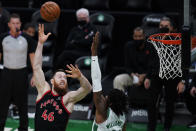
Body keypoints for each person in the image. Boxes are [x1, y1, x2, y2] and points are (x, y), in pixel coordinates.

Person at [33, 24, 92, 131]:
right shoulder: (43, 91)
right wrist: (40, 43)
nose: (62, 79)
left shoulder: (68, 98)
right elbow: (37, 67)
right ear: (52, 81)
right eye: (59, 76)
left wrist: (80, 76)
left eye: (64, 78)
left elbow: (88, 89)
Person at [144, 16, 185, 131]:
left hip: (173, 76)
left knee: (169, 103)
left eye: (166, 26)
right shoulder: (154, 40)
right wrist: (148, 76)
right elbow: (150, 60)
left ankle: (167, 127)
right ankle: (151, 127)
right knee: (151, 102)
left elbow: (183, 62)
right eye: (161, 26)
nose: (162, 28)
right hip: (156, 75)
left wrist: (183, 80)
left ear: (172, 28)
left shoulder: (179, 41)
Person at [0, 13, 36, 131]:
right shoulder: (3, 38)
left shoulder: (27, 39)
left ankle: (23, 128)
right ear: (9, 24)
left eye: (18, 23)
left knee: (22, 104)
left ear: (20, 24)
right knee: (2, 104)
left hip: (21, 73)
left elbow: (33, 58)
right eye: (13, 23)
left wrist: (35, 75)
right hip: (6, 74)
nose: (16, 25)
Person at [91, 32, 128, 131]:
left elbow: (96, 81)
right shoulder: (123, 116)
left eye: (108, 97)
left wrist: (94, 54)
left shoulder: (103, 111)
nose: (105, 96)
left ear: (110, 103)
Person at [113, 27, 149, 92]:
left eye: (140, 36)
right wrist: (133, 74)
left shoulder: (150, 46)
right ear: (133, 37)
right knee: (118, 79)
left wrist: (144, 75)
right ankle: (120, 101)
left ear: (144, 36)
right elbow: (127, 66)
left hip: (148, 76)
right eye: (136, 36)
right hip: (134, 76)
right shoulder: (128, 46)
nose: (138, 38)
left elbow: (154, 67)